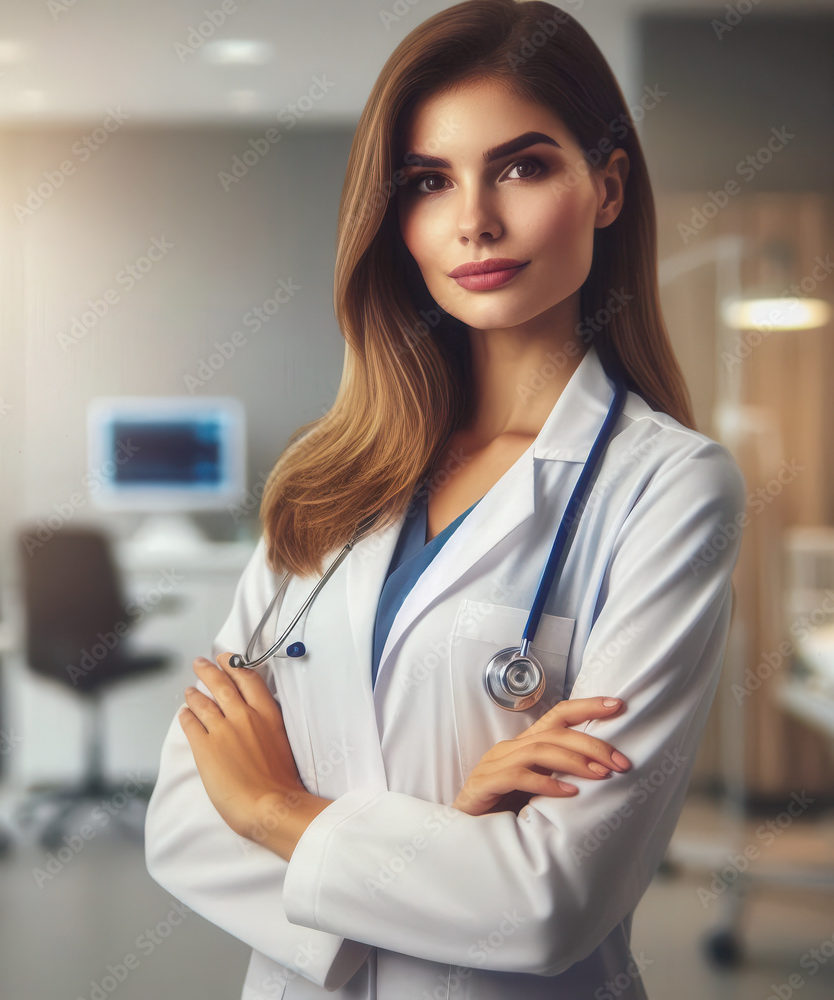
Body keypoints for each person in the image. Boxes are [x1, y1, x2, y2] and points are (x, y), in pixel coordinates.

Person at [144, 2, 745, 997]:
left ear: (606, 185)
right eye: (429, 182)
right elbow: (179, 813)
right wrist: (447, 842)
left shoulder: (669, 488)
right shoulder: (329, 479)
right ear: (397, 216)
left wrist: (277, 810)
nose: (473, 219)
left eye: (521, 165)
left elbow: (551, 898)